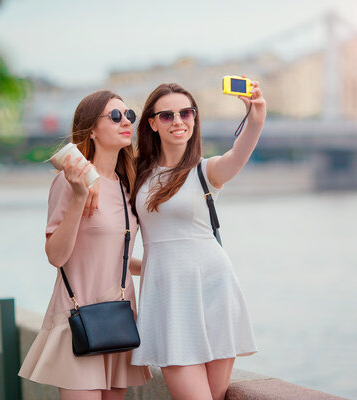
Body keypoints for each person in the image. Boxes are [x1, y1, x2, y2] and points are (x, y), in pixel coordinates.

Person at [129, 82, 266, 400]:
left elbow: (240, 151)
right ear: (152, 123)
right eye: (167, 115)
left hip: (215, 291)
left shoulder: (208, 171)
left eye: (186, 112)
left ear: (194, 118)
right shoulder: (137, 174)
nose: (178, 121)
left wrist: (256, 115)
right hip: (169, 301)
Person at [19, 90, 151, 400]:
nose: (125, 121)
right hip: (79, 318)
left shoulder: (127, 186)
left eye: (129, 115)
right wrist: (79, 195)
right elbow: (56, 256)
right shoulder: (69, 182)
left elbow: (113, 258)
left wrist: (155, 267)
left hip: (119, 319)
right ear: (91, 129)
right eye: (114, 116)